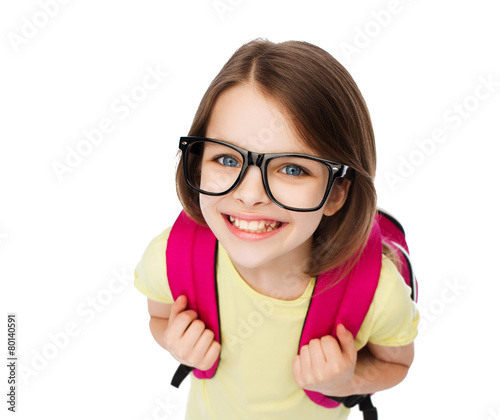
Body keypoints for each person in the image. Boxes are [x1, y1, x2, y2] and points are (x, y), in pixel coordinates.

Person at [134, 38, 419, 420]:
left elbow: (397, 364)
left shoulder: (379, 291)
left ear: (336, 192)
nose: (249, 195)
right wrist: (175, 344)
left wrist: (346, 382)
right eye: (226, 158)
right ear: (199, 162)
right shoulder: (170, 258)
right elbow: (159, 317)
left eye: (292, 168)